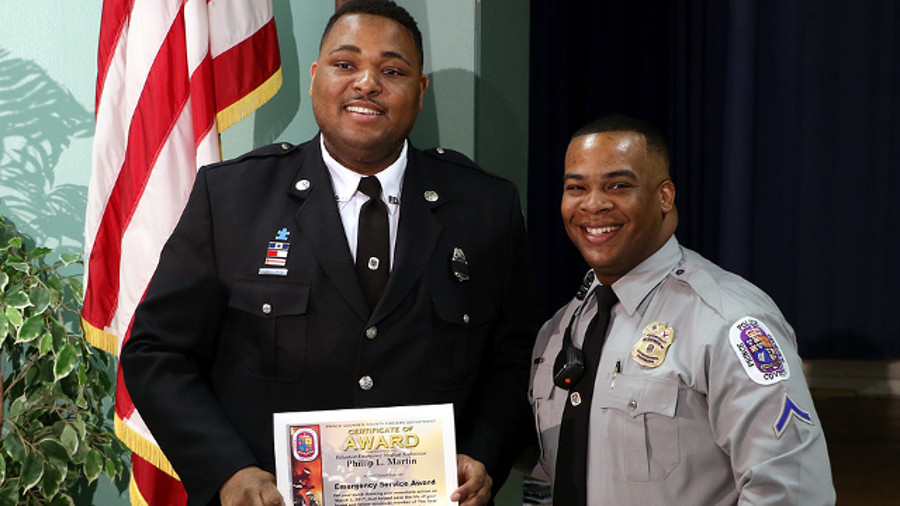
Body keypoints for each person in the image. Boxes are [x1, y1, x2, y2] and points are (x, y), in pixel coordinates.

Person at [120, 1, 537, 505]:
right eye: (345, 65)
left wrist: (483, 454)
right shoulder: (233, 198)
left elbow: (515, 360)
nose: (367, 84)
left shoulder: (485, 206)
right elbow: (155, 352)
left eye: (392, 70)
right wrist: (227, 471)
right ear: (316, 77)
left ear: (420, 91)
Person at [528, 115, 835, 504]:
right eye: (576, 187)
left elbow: (792, 490)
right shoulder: (559, 330)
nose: (593, 204)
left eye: (618, 185)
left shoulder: (728, 321)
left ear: (664, 196)